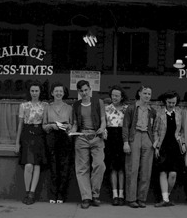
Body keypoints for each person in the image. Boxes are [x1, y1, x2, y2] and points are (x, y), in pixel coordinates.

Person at [70, 80, 106, 209]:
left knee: (99, 165)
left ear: (90, 89)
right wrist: (72, 131)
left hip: (96, 136)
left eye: (86, 90)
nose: (84, 93)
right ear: (78, 92)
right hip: (81, 137)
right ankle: (86, 197)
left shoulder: (98, 102)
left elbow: (103, 120)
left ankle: (95, 194)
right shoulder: (76, 105)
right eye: (81, 91)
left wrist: (102, 128)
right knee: (82, 168)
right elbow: (75, 123)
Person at [123, 85, 157, 208]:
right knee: (132, 168)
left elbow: (155, 128)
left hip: (147, 137)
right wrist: (126, 142)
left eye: (149, 94)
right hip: (135, 136)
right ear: (139, 94)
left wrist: (155, 141)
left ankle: (142, 198)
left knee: (146, 169)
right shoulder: (132, 108)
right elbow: (126, 125)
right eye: (145, 93)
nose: (147, 96)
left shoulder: (152, 110)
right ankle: (131, 198)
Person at [15, 81, 48, 205]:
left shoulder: (45, 105)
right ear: (29, 92)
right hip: (27, 133)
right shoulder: (24, 105)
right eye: (32, 91)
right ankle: (27, 190)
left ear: (40, 92)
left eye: (36, 91)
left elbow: (45, 122)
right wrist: (17, 142)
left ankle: (32, 193)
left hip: (40, 133)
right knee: (28, 165)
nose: (34, 93)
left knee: (37, 165)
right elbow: (20, 124)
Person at [152, 91, 185, 207]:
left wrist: (183, 142)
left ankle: (167, 195)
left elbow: (182, 130)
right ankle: (165, 199)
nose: (171, 104)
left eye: (174, 102)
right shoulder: (159, 113)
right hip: (163, 145)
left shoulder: (180, 113)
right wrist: (156, 146)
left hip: (175, 146)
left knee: (173, 174)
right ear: (165, 101)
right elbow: (155, 130)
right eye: (170, 102)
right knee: (163, 172)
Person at [42, 82, 73, 204]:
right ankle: (52, 194)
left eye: (61, 91)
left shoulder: (69, 108)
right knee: (53, 166)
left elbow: (72, 124)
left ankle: (61, 195)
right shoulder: (47, 108)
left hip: (64, 137)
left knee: (64, 166)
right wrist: (52, 125)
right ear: (52, 93)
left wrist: (68, 126)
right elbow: (43, 126)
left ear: (64, 93)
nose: (59, 93)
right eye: (56, 91)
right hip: (52, 136)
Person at [104, 85, 128, 206]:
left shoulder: (126, 109)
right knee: (113, 167)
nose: (115, 97)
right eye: (113, 95)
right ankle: (114, 195)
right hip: (110, 138)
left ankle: (121, 194)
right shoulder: (106, 109)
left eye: (117, 95)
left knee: (121, 168)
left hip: (122, 137)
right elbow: (103, 124)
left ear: (122, 96)